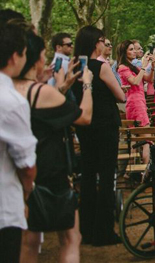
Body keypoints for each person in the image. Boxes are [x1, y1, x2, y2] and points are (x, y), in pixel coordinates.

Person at [14, 30, 93, 263]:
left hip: (23, 166)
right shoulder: (41, 91)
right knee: (71, 237)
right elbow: (84, 116)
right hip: (50, 168)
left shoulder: (13, 89)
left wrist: (63, 85)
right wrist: (87, 85)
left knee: (29, 239)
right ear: (36, 58)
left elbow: (43, 112)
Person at [71, 25, 125, 246]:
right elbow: (121, 95)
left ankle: (86, 228)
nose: (105, 44)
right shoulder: (101, 66)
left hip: (85, 125)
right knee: (105, 177)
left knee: (88, 174)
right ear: (96, 43)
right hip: (105, 126)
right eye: (103, 40)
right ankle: (103, 231)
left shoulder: (76, 66)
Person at [0, 20, 37, 262]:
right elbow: (26, 164)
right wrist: (27, 194)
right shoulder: (11, 101)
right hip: (5, 204)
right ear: (15, 57)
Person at [117, 40, 153, 164]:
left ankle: (131, 171)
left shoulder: (134, 66)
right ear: (124, 52)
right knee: (145, 137)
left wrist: (152, 66)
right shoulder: (122, 67)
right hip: (135, 103)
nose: (134, 52)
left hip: (140, 102)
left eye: (134, 49)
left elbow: (148, 79)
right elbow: (136, 82)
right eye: (131, 49)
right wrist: (143, 66)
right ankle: (143, 170)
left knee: (136, 137)